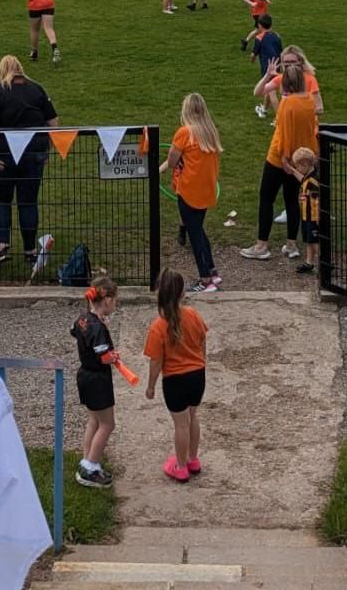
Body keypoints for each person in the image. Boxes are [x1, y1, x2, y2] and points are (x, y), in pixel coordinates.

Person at [0, 55, 58, 263]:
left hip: (4, 155)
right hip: (34, 153)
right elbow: (54, 121)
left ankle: (3, 246)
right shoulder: (38, 89)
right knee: (28, 202)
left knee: (0, 200)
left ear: (3, 70)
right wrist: (48, 149)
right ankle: (30, 250)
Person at [241, 59, 318, 261]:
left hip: (279, 158)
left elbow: (284, 133)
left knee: (266, 198)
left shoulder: (288, 103)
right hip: (300, 158)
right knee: (292, 200)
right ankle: (292, 244)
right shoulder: (309, 100)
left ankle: (261, 245)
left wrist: (284, 158)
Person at [143, 269, 209, 483]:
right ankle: (193, 459)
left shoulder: (158, 327)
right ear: (182, 294)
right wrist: (202, 363)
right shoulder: (193, 315)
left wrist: (151, 385)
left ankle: (180, 467)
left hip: (174, 379)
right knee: (193, 417)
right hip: (197, 375)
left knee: (180, 424)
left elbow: (156, 361)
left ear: (159, 294)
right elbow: (202, 341)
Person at [162, 93, 223, 292]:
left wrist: (163, 168)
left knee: (194, 233)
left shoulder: (184, 133)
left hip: (188, 189)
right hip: (206, 189)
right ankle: (212, 271)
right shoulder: (210, 131)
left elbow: (172, 161)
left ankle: (205, 280)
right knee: (198, 229)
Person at [70, 271, 122, 488]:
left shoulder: (83, 319)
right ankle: (91, 467)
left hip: (84, 375)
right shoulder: (98, 327)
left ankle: (87, 460)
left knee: (94, 420)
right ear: (107, 300)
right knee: (108, 423)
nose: (115, 305)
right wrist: (113, 357)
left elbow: (74, 332)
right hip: (98, 380)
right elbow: (103, 357)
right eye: (115, 301)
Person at [254, 45, 322, 118]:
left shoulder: (310, 79)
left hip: (304, 125)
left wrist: (297, 111)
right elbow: (257, 92)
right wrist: (267, 75)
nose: (289, 65)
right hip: (285, 125)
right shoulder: (281, 78)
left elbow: (319, 109)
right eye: (286, 62)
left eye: (293, 61)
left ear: (300, 62)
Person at [287, 146, 321, 274]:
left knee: (315, 242)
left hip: (313, 217)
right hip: (306, 217)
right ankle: (309, 262)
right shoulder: (307, 176)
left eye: (298, 166)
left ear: (306, 164)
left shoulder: (313, 181)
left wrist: (318, 217)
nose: (297, 169)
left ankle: (322, 264)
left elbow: (317, 201)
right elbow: (301, 178)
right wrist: (291, 170)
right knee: (308, 240)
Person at [245, 15, 283, 115]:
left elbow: (253, 54)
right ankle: (264, 110)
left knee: (272, 93)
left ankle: (279, 118)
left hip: (268, 67)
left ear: (260, 26)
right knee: (270, 87)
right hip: (277, 65)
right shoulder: (277, 36)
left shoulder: (259, 38)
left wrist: (252, 60)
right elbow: (280, 51)